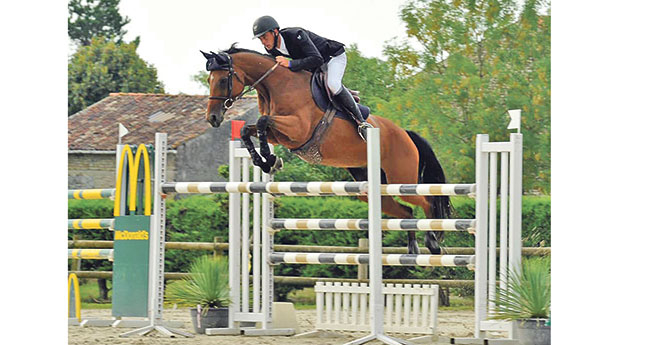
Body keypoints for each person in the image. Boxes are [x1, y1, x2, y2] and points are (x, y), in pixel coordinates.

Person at [252, 15, 373, 140]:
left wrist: (290, 63)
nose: (263, 42)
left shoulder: (296, 35)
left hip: (332, 58)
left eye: (265, 37)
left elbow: (317, 58)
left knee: (333, 84)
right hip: (314, 66)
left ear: (275, 32)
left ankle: (362, 123)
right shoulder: (272, 50)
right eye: (260, 39)